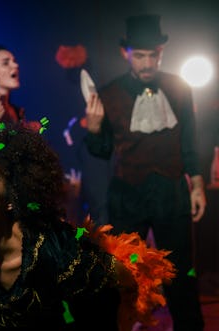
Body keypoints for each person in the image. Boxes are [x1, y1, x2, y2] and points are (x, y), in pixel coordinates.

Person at [0, 121, 175, 331]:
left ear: (11, 199)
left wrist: (135, 304)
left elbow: (122, 275)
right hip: (20, 312)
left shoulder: (52, 251)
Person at [84, 14, 206, 331]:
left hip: (171, 192)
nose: (148, 62)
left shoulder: (179, 88)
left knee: (180, 272)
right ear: (126, 54)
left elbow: (190, 140)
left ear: (161, 53)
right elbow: (101, 151)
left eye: (153, 55)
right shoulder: (109, 94)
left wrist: (197, 184)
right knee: (125, 274)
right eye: (140, 55)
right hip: (128, 194)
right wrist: (95, 129)